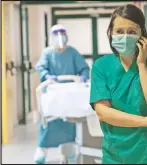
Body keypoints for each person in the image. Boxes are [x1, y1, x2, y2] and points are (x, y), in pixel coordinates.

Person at [90, 4, 147, 164]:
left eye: (132, 32)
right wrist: (145, 121)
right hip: (116, 155)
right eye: (119, 31)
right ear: (111, 34)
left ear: (143, 36)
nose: (125, 37)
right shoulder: (102, 66)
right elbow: (103, 112)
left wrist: (141, 65)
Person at [34, 24, 89, 164]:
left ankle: (68, 150)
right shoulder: (47, 53)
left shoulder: (72, 52)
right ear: (51, 37)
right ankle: (42, 149)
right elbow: (41, 68)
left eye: (62, 34)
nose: (60, 37)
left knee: (69, 122)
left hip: (70, 94)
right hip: (53, 93)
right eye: (56, 34)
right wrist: (48, 77)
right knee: (50, 121)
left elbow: (83, 68)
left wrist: (83, 77)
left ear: (66, 36)